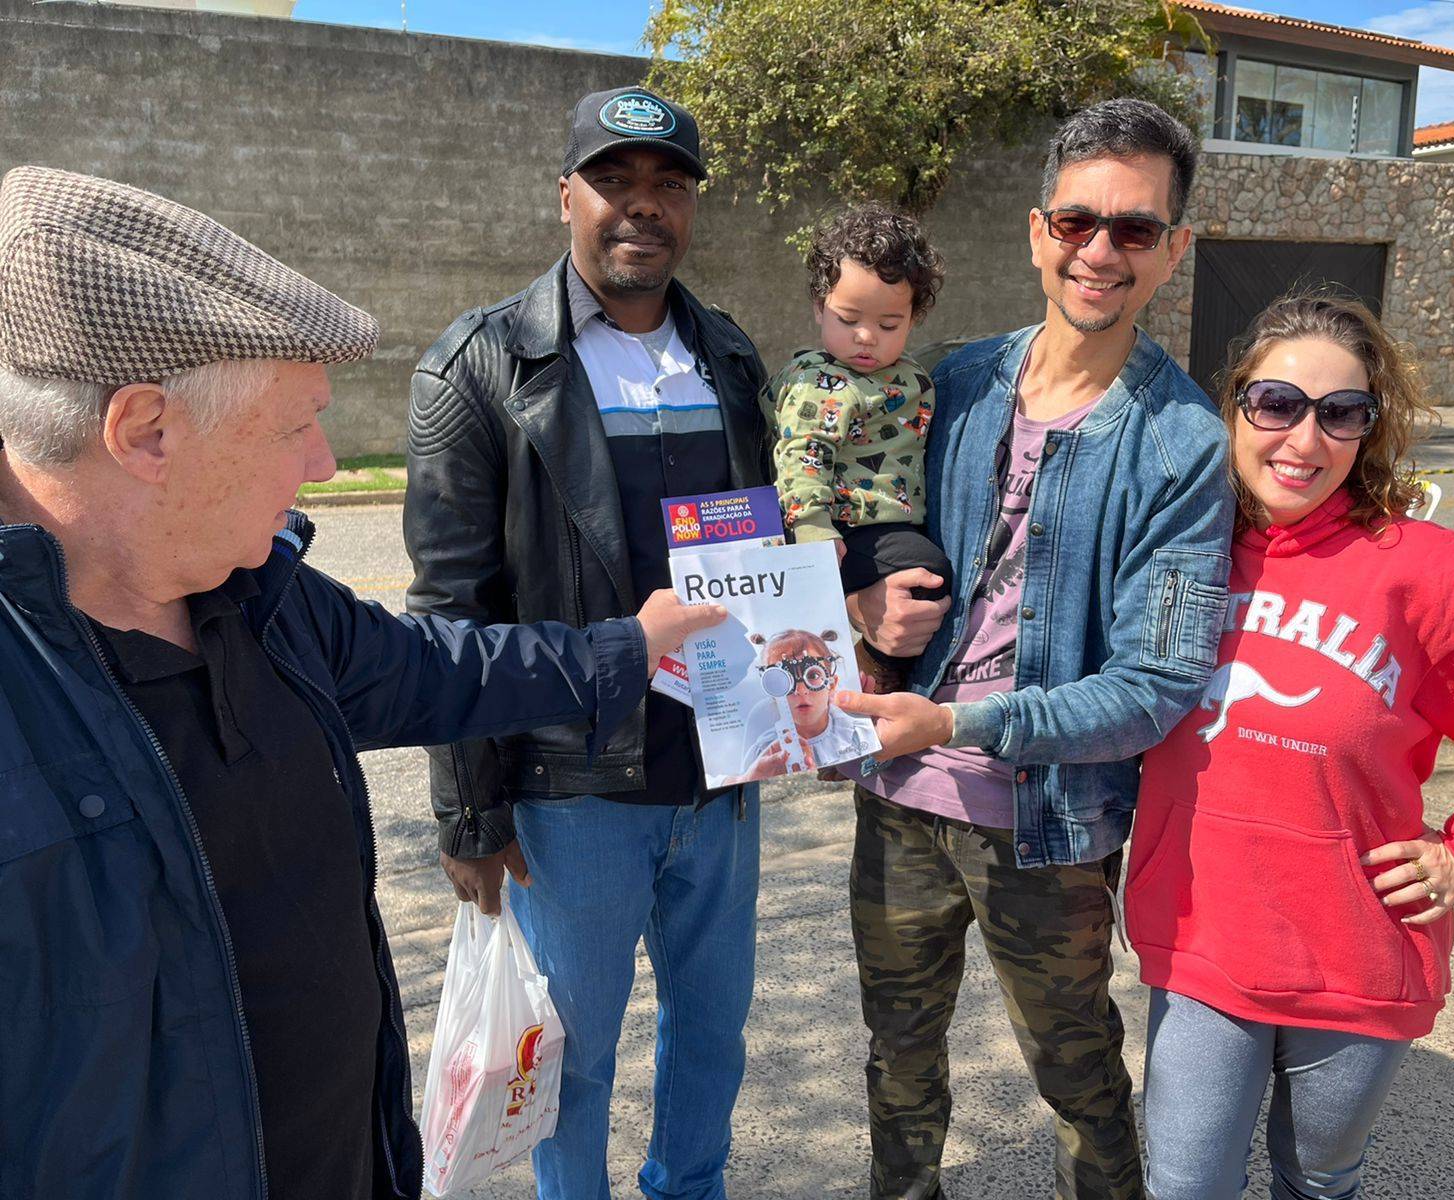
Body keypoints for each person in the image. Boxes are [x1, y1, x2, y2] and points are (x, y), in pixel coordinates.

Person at [0, 165, 720, 1200]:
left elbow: (437, 668)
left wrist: (625, 649)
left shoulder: (260, 596)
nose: (327, 466)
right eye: (295, 426)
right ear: (145, 431)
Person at [833, 99, 1235, 1200]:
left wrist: (959, 721)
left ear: (1172, 250)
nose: (1099, 250)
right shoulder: (949, 384)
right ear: (1034, 231)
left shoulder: (1180, 442)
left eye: (1134, 230)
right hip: (900, 798)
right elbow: (852, 526)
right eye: (1076, 221)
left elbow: (1154, 686)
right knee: (896, 1061)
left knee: (1078, 1077)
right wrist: (863, 609)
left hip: (1046, 825)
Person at [1124, 294, 1454, 1200]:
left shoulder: (1431, 572)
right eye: (1276, 403)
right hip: (1204, 942)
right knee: (1186, 1185)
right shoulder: (1180, 552)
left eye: (1340, 412)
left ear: (1368, 430)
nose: (1303, 438)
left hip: (1354, 954)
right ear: (1232, 406)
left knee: (1320, 1177)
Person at [403, 85, 770, 1200]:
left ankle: (688, 1187)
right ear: (564, 195)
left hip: (722, 773)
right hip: (572, 795)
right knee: (573, 1063)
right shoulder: (477, 365)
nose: (640, 208)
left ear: (691, 210)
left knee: (712, 1045)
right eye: (613, 180)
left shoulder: (732, 357)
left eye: (667, 185)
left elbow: (765, 544)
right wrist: (470, 812)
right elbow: (449, 613)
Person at [764, 204, 953, 675]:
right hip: (841, 532)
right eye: (848, 319)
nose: (866, 337)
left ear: (914, 318)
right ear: (818, 308)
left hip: (890, 527)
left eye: (889, 325)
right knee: (927, 572)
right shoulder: (820, 382)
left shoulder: (912, 376)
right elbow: (802, 452)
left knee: (926, 577)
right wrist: (811, 526)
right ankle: (871, 667)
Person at [735, 628, 876, 782]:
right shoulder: (765, 750)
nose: (800, 690)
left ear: (832, 684)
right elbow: (744, 780)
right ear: (772, 693)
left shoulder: (856, 730)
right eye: (784, 680)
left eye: (813, 675)